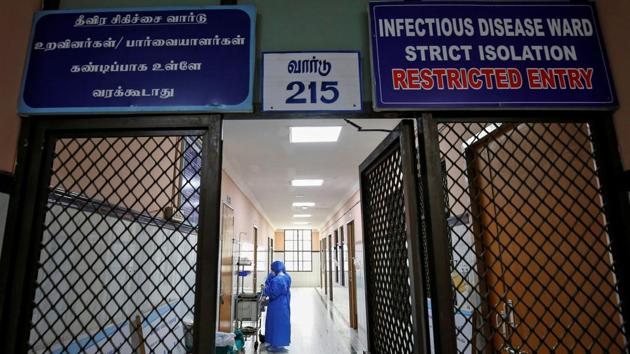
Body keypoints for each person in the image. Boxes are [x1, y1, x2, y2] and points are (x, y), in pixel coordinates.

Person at [263, 261, 291, 352]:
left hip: (276, 305)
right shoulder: (287, 277)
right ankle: (281, 342)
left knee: (275, 324)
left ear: (275, 269)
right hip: (284, 303)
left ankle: (275, 345)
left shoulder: (276, 280)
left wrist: (265, 290)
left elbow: (273, 293)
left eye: (272, 270)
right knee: (283, 324)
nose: (271, 272)